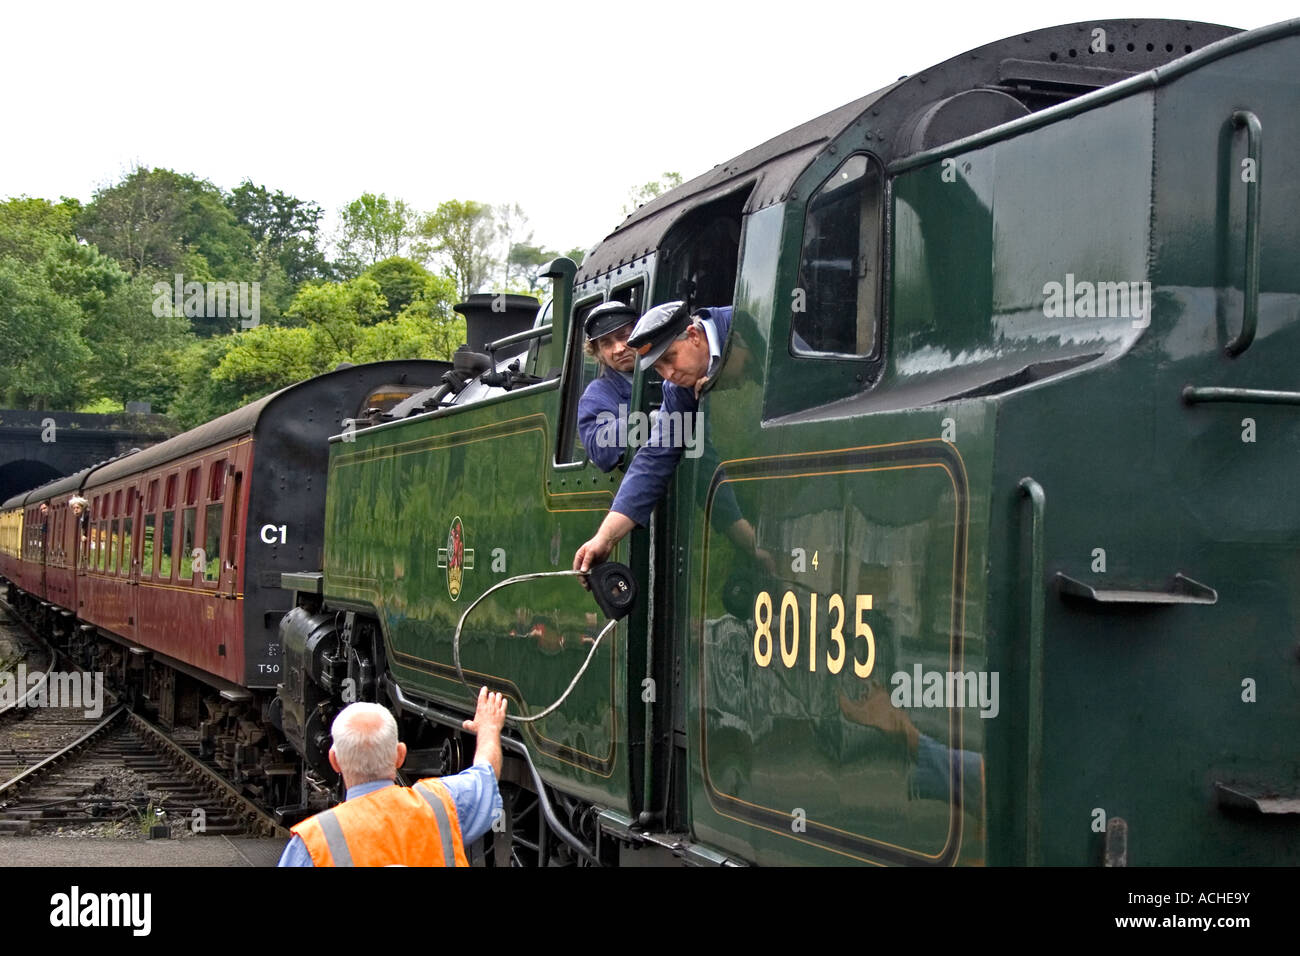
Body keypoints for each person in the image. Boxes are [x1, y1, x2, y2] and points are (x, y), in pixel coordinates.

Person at [572, 301, 772, 575]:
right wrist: (604, 538)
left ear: (693, 335)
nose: (668, 374)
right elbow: (654, 460)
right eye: (658, 368)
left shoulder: (753, 319)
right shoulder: (677, 389)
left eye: (670, 358)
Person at [277, 687, 507, 867]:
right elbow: (486, 773)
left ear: (334, 760)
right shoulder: (443, 803)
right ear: (400, 755)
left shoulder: (312, 843)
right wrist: (489, 728)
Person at [576, 301, 638, 472]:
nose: (618, 349)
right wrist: (647, 420)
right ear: (598, 353)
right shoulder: (596, 396)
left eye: (623, 336)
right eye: (607, 344)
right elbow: (600, 449)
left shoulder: (672, 373)